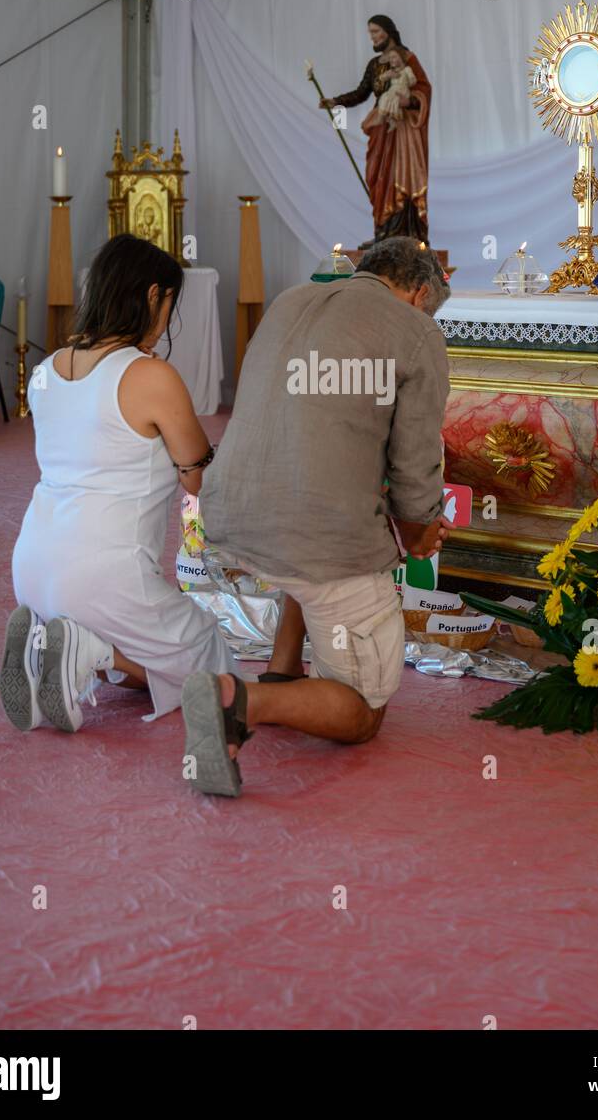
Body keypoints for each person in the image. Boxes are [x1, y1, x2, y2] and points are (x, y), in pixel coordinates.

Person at [187, 237, 451, 798]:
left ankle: (282, 673)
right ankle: (239, 700)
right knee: (364, 711)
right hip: (317, 535)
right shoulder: (416, 330)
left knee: (309, 524)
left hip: (230, 516)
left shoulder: (289, 300)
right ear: (420, 292)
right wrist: (421, 532)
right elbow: (414, 465)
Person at [1, 233, 231, 735]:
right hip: (105, 575)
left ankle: (53, 649)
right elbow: (198, 480)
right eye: (169, 304)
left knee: (125, 640)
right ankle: (93, 651)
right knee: (210, 653)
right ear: (152, 295)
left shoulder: (45, 371)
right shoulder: (150, 375)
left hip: (32, 568)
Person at [320, 15, 432, 244]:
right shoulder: (375, 65)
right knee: (379, 176)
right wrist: (335, 101)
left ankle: (407, 234)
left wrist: (408, 101)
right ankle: (383, 231)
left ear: (388, 31)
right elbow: (362, 92)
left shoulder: (407, 58)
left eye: (376, 31)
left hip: (403, 130)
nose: (372, 37)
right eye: (370, 32)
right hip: (382, 127)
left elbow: (424, 90)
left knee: (403, 175)